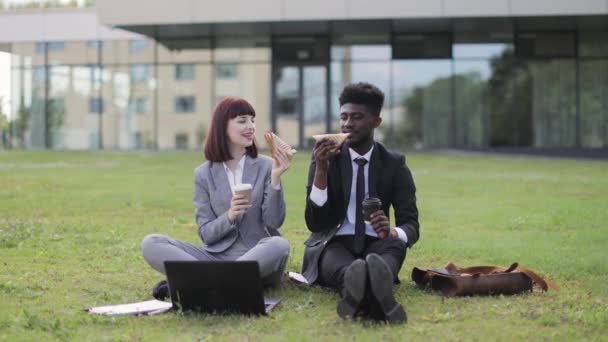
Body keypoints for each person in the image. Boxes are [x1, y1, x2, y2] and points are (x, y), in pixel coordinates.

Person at [142, 97, 291, 299]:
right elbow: (207, 234)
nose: (251, 126)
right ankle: (220, 282)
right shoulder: (203, 174)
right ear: (223, 126)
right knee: (151, 242)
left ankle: (199, 283)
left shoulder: (266, 166)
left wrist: (275, 178)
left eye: (252, 120)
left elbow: (274, 221)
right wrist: (229, 216)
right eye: (242, 120)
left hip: (258, 257)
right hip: (215, 258)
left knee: (279, 245)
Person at [301, 82, 419, 323]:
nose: (347, 124)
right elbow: (315, 223)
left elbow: (412, 226)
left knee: (394, 246)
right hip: (334, 243)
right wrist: (321, 169)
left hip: (378, 244)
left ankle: (362, 291)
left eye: (357, 117)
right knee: (348, 268)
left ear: (376, 121)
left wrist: (391, 230)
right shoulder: (324, 157)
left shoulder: (394, 164)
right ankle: (376, 294)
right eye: (343, 117)